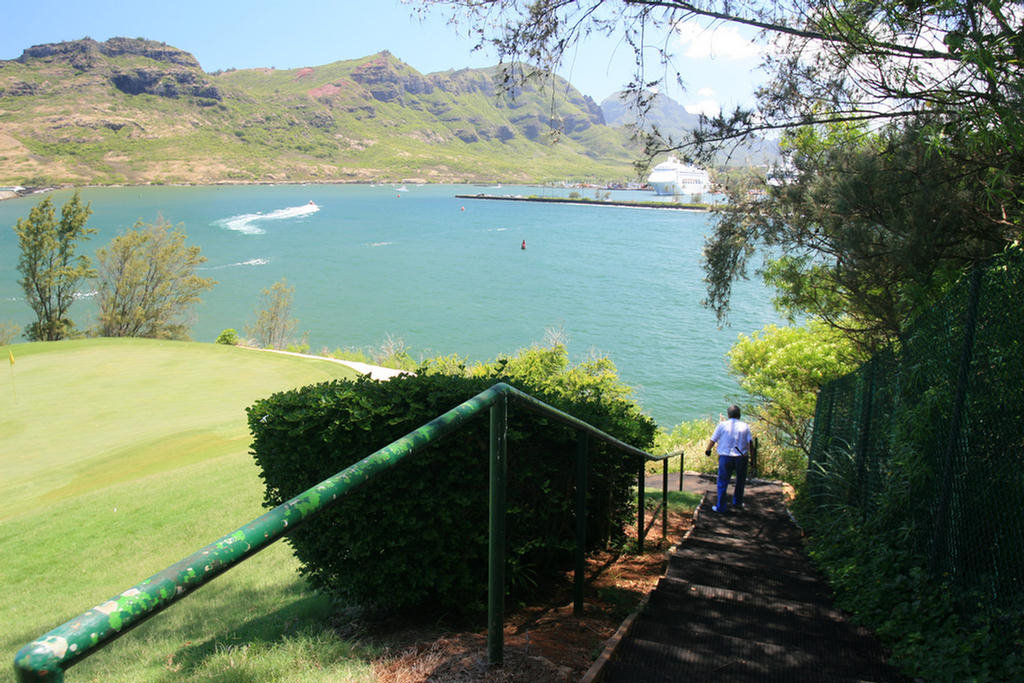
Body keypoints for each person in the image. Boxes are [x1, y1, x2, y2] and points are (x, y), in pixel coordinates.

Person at [705, 405, 752, 512]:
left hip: (725, 457)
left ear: (728, 414)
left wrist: (708, 450)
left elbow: (713, 439)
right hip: (741, 457)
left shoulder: (722, 425)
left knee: (722, 481)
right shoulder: (745, 426)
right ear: (739, 415)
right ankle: (737, 503)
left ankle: (721, 507)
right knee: (740, 481)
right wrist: (752, 458)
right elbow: (750, 443)